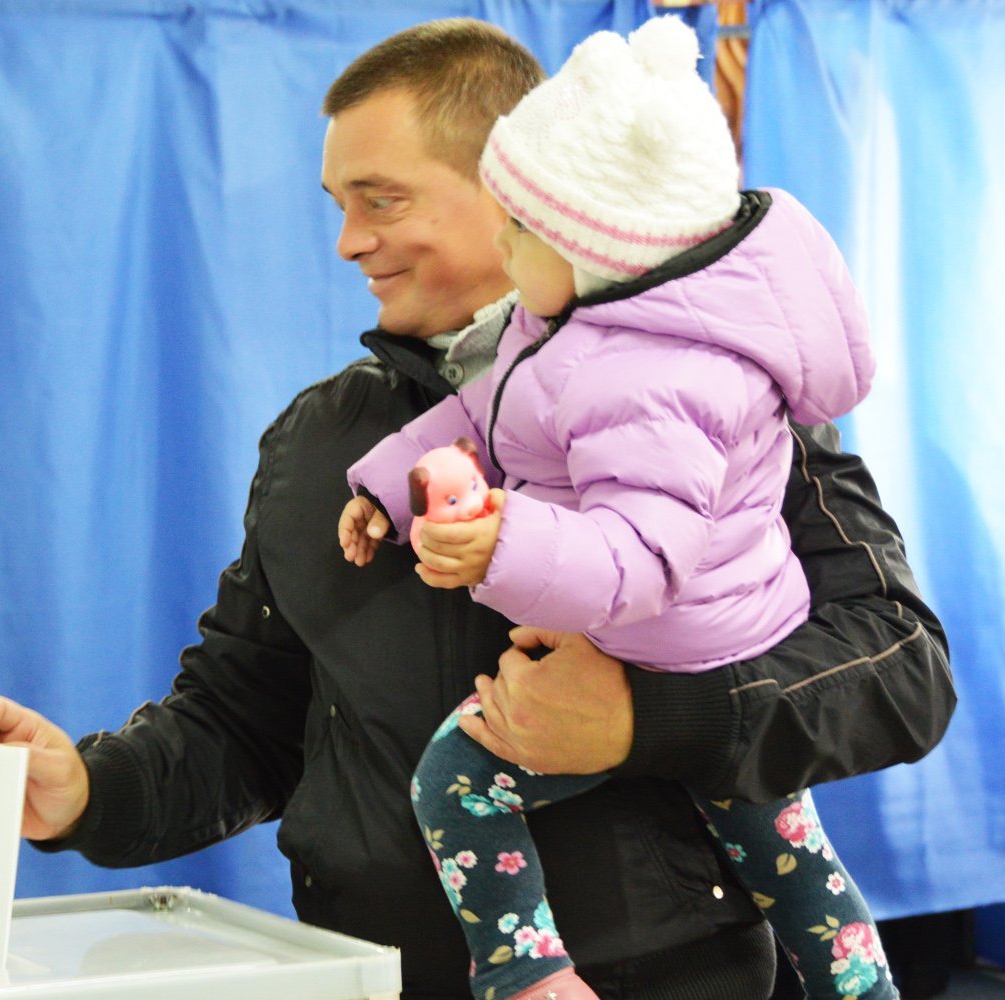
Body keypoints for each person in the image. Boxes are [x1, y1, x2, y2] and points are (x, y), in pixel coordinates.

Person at [0, 18, 953, 1000]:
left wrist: (644, 722)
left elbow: (899, 669)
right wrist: (89, 791)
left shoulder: (718, 401)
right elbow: (240, 723)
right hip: (368, 979)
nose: (349, 242)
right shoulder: (323, 444)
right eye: (339, 205)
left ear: (516, 191)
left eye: (381, 201)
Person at [339, 18, 894, 1000]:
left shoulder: (656, 382)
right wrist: (388, 484)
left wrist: (502, 542)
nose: (500, 244)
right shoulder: (567, 326)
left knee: (460, 784)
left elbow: (640, 561)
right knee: (790, 856)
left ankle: (526, 973)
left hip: (692, 652)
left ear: (595, 247)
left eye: (518, 229)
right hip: (678, 639)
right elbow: (485, 412)